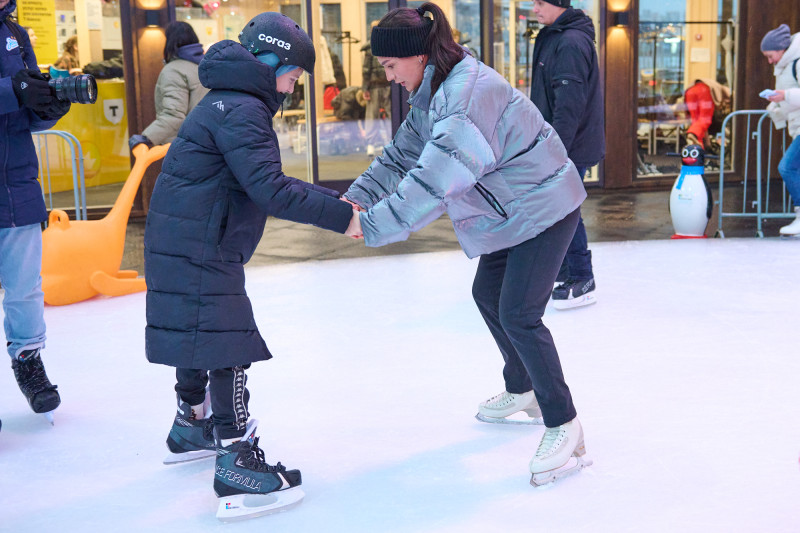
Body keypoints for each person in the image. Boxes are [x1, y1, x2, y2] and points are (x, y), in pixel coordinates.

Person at [342, 3, 591, 487]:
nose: (389, 77)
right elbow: (401, 157)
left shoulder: (463, 98)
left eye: (391, 67)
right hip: (511, 209)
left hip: (545, 205)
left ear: (417, 56)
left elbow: (434, 181)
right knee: (487, 295)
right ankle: (523, 389)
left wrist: (371, 225)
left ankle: (564, 422)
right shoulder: (436, 88)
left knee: (519, 311)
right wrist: (355, 198)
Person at [143, 12, 358, 520]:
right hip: (200, 246)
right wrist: (345, 215)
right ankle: (236, 459)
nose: (293, 87)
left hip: (186, 238)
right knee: (228, 343)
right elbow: (271, 189)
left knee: (202, 331)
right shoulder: (242, 108)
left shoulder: (225, 99)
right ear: (270, 62)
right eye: (293, 75)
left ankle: (191, 424)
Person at [1, 0, 70, 422]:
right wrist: (13, 90)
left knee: (25, 288)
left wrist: (48, 106)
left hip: (16, 185)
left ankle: (29, 362)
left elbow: (24, 117)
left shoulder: (16, 33)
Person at [529, 0, 604, 310]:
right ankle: (563, 273)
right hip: (560, 144)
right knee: (557, 210)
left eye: (539, 2)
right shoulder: (555, 35)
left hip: (569, 147)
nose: (533, 8)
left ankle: (581, 277)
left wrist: (553, 153)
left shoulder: (571, 42)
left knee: (564, 209)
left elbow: (568, 105)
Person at [129, 22, 208, 150]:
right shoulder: (205, 67)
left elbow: (174, 115)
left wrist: (146, 138)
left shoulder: (174, 71)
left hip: (184, 146)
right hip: (208, 143)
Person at [761, 23, 800, 237]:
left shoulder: (796, 63)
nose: (769, 61)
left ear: (781, 49)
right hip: (798, 127)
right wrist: (777, 104)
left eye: (770, 55)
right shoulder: (786, 65)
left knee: (787, 167)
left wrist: (783, 96)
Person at [362, 20, 392, 158]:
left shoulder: (390, 45)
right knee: (372, 116)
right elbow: (366, 70)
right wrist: (365, 88)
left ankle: (392, 142)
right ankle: (370, 144)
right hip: (374, 86)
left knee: (391, 115)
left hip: (388, 85)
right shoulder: (369, 49)